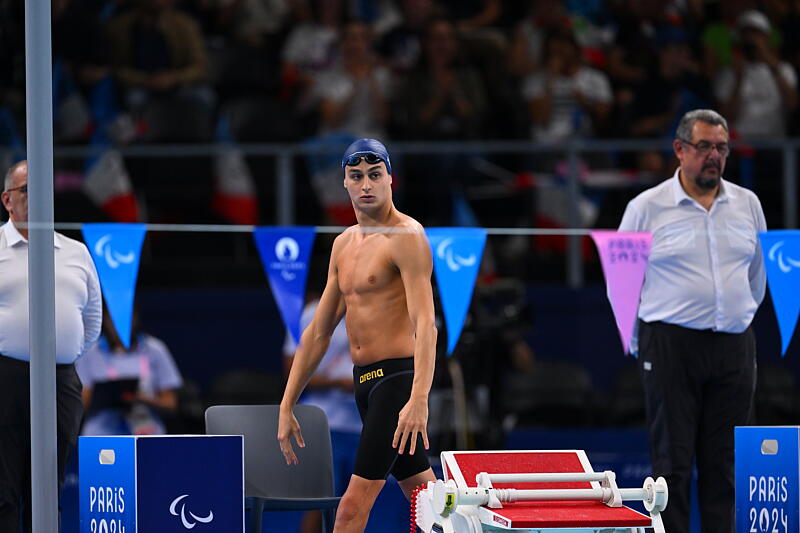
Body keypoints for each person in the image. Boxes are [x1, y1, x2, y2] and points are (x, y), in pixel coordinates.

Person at [278, 138, 437, 533]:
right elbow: (318, 332)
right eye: (357, 177)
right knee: (430, 500)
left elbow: (426, 326)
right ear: (345, 184)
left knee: (350, 509)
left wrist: (418, 399)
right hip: (364, 385)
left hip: (397, 385)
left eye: (374, 175)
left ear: (389, 180)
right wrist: (286, 403)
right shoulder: (343, 245)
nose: (366, 184)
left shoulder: (407, 237)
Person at [618, 109, 766, 533]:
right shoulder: (645, 208)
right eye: (704, 147)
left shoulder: (748, 204)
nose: (714, 156)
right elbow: (622, 285)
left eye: (721, 147)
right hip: (669, 344)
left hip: (733, 346)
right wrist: (640, 341)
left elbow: (756, 278)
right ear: (680, 150)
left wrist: (736, 317)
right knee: (672, 466)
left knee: (725, 465)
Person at [0, 160, 102, 532]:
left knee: (48, 486)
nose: (37, 198)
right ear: (7, 200)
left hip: (60, 379)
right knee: (5, 488)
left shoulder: (75, 252)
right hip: (6, 376)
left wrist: (62, 352)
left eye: (44, 190)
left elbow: (91, 322)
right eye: (27, 191)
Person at [283, 296, 361, 533]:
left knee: (358, 503)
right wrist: (338, 383)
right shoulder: (313, 314)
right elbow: (292, 370)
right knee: (321, 501)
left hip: (366, 424)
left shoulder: (380, 307)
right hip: (327, 424)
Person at [76, 307, 183, 436]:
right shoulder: (90, 352)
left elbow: (170, 404)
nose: (120, 323)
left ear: (136, 317)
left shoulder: (156, 349)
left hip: (147, 434)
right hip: (101, 436)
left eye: (127, 317)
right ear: (104, 320)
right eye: (113, 318)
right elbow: (80, 407)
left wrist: (141, 399)